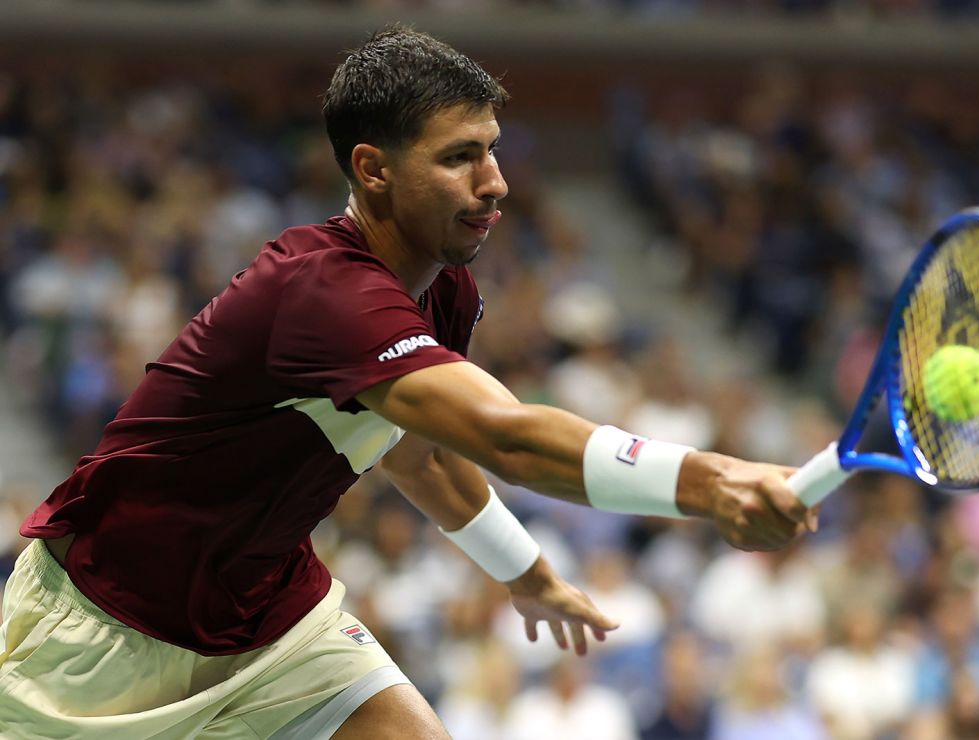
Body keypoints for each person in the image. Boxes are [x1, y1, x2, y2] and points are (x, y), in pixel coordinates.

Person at [0, 26, 815, 739]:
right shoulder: (322, 291)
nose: (493, 181)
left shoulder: (443, 289)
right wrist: (711, 481)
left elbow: (418, 456)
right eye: (460, 157)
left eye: (492, 149)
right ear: (373, 169)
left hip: (266, 617)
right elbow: (506, 436)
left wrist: (527, 577)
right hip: (98, 636)